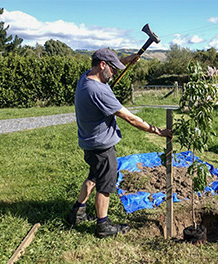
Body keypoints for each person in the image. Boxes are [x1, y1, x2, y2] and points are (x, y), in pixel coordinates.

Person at [68, 48, 172, 238]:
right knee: (105, 185)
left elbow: (110, 67)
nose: (115, 73)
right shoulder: (99, 91)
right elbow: (131, 118)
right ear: (102, 66)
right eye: (113, 70)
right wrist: (158, 131)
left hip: (90, 143)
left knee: (93, 177)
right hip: (102, 147)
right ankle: (103, 225)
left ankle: (78, 211)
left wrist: (128, 60)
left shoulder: (85, 78)